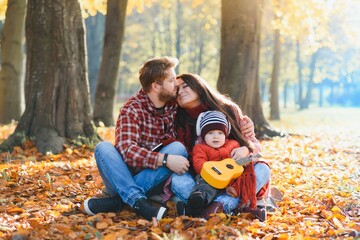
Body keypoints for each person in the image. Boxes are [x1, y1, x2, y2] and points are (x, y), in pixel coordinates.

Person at [80, 57, 190, 221]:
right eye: (172, 80)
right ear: (155, 86)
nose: (177, 84)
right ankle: (138, 202)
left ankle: (120, 201)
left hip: (153, 178)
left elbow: (206, 103)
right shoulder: (132, 109)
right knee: (103, 148)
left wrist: (242, 122)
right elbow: (126, 150)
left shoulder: (174, 102)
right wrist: (165, 160)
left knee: (178, 149)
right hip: (123, 175)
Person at [171, 73, 271, 221]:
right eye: (176, 89)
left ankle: (213, 207)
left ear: (199, 86)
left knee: (263, 169)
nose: (180, 92)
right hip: (202, 180)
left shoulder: (228, 110)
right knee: (175, 179)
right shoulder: (177, 119)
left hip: (234, 179)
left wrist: (246, 149)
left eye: (185, 86)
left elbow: (255, 146)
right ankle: (227, 206)